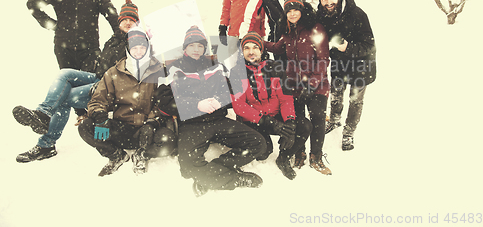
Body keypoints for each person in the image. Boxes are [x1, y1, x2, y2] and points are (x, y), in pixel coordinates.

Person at [13, 0, 141, 163]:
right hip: (98, 77)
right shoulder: (114, 39)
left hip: (111, 87)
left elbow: (133, 70)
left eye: (132, 20)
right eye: (125, 19)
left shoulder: (137, 42)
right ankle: (43, 113)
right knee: (64, 74)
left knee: (64, 99)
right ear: (119, 21)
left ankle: (46, 144)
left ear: (137, 23)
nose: (128, 22)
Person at [157, 26, 266, 196]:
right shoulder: (172, 69)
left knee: (258, 143)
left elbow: (230, 90)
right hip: (192, 124)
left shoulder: (216, 66)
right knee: (187, 168)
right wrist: (196, 105)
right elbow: (163, 103)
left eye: (200, 46)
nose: (196, 49)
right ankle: (232, 179)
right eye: (191, 45)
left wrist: (219, 100)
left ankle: (214, 171)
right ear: (185, 47)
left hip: (218, 121)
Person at [78, 26, 176, 176]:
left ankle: (142, 155)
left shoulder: (159, 70)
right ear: (127, 49)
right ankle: (117, 155)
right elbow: (98, 99)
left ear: (148, 48)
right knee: (86, 127)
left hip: (147, 131)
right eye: (134, 47)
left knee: (168, 140)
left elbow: (162, 101)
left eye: (142, 47)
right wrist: (100, 117)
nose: (138, 51)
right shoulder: (113, 72)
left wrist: (152, 121)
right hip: (120, 128)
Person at [264, 0, 331, 175]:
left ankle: (316, 156)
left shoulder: (316, 28)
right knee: (299, 120)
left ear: (302, 10)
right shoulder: (287, 32)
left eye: (295, 10)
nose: (292, 14)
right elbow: (277, 47)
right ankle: (299, 152)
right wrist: (256, 43)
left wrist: (311, 85)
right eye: (288, 11)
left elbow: (323, 60)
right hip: (294, 86)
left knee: (317, 117)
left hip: (317, 85)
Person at [230, 31, 312, 180]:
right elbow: (239, 106)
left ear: (261, 50)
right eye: (246, 48)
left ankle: (284, 158)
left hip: (276, 114)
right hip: (255, 120)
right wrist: (266, 121)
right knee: (263, 153)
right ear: (242, 52)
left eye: (255, 47)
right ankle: (264, 141)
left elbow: (285, 99)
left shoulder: (276, 68)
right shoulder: (237, 72)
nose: (251, 51)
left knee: (304, 126)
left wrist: (290, 122)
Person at [316, 0, 377, 151]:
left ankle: (349, 132)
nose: (328, 2)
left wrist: (348, 48)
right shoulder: (322, 15)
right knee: (336, 93)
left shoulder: (357, 14)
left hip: (361, 64)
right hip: (339, 63)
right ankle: (334, 120)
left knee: (355, 100)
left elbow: (369, 45)